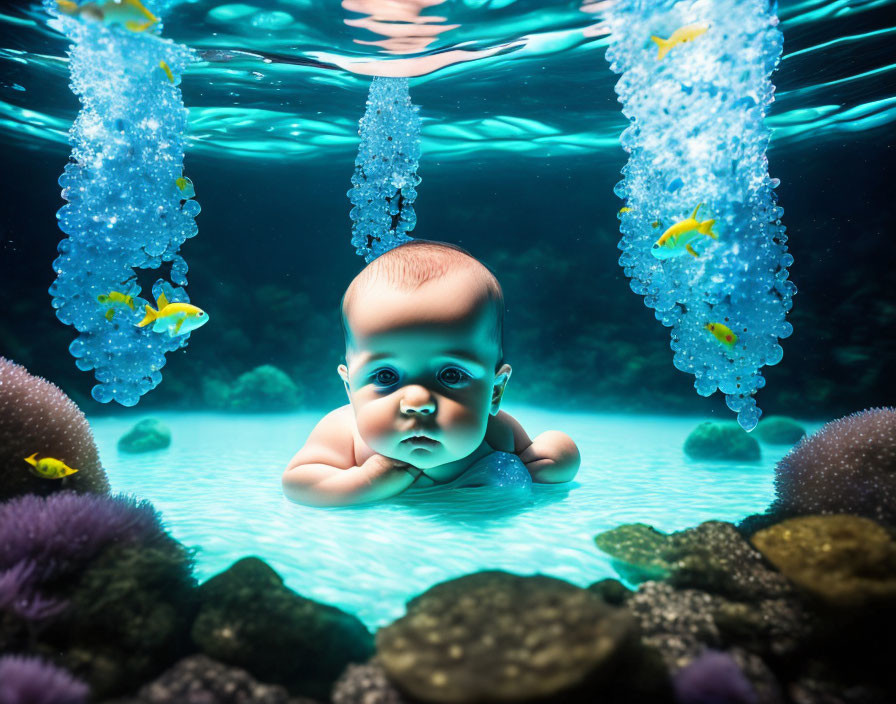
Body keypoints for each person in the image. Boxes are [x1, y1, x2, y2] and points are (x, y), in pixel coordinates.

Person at [282, 240, 580, 507]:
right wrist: (365, 482)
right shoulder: (343, 431)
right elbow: (297, 483)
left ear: (494, 391)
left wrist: (555, 459)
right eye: (385, 377)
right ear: (350, 388)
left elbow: (540, 459)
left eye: (450, 376)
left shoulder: (497, 431)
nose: (417, 401)